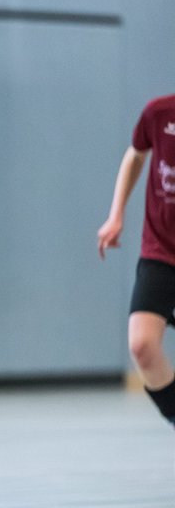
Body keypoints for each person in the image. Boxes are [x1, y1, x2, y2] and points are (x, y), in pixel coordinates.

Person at [97, 94, 175, 429]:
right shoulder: (159, 112)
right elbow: (135, 156)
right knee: (142, 345)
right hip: (160, 250)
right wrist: (116, 215)